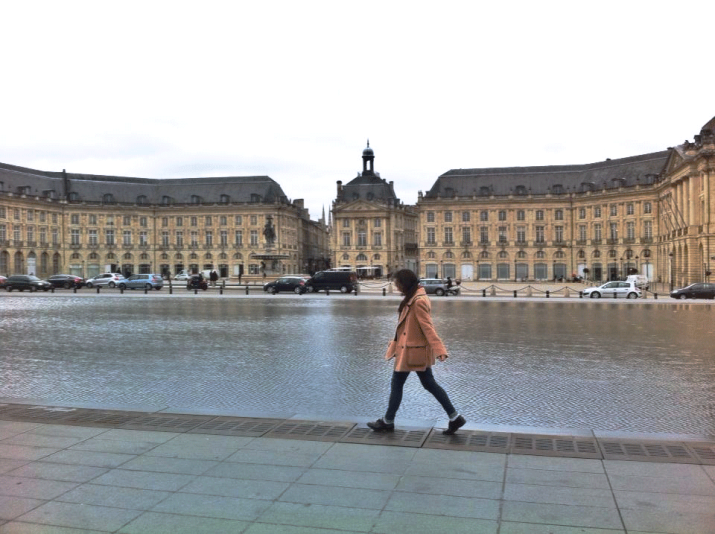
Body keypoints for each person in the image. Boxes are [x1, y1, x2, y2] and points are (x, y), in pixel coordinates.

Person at [368, 269, 466, 434]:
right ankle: (455, 418)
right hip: (413, 350)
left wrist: (440, 349)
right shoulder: (414, 297)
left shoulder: (418, 300)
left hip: (412, 352)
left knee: (398, 384)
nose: (397, 287)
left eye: (398, 284)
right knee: (429, 384)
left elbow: (428, 327)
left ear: (404, 283)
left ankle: (388, 421)